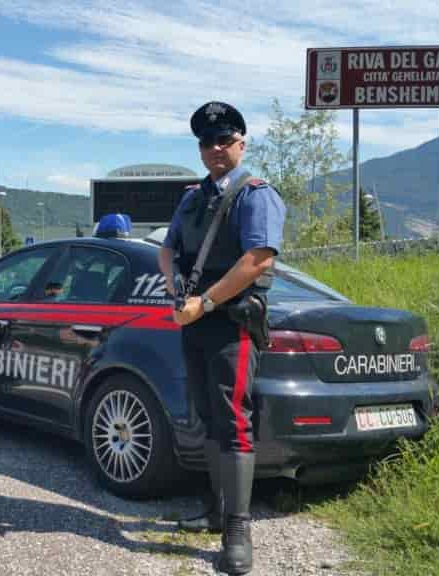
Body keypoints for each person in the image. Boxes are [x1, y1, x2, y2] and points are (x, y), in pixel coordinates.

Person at [158, 102, 286, 575]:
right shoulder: (192, 198)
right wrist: (174, 287)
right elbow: (168, 249)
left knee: (233, 419)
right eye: (206, 142)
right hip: (194, 319)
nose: (214, 149)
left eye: (223, 140)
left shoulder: (256, 195)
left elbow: (257, 261)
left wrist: (205, 303)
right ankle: (214, 509)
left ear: (241, 143)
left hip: (231, 320)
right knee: (207, 415)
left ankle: (237, 528)